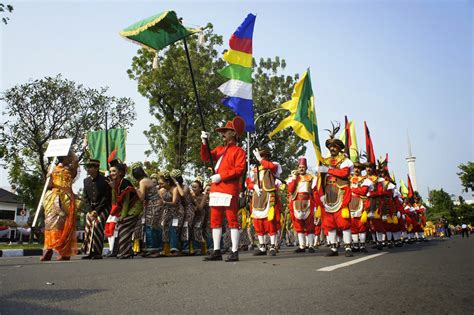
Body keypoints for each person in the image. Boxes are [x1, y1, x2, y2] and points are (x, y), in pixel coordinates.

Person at [200, 116, 246, 262]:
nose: (223, 134)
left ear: (233, 133)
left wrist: (221, 176)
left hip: (229, 189)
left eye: (225, 131)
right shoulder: (219, 149)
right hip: (216, 190)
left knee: (232, 221)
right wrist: (204, 142)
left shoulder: (239, 151)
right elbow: (206, 156)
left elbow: (239, 170)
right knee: (215, 221)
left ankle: (234, 251)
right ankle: (216, 250)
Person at [318, 123, 354, 257]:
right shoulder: (324, 161)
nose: (332, 148)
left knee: (343, 222)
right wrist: (321, 194)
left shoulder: (345, 161)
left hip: (340, 192)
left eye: (335, 147)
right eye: (330, 146)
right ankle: (333, 248)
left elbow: (344, 173)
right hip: (328, 193)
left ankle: (348, 247)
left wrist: (329, 170)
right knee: (329, 222)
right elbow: (320, 180)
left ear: (339, 148)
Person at [41, 151, 79, 261]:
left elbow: (76, 161)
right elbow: (49, 185)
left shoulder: (71, 169)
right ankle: (48, 248)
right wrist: (49, 177)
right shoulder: (52, 168)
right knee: (50, 223)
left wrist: (80, 147)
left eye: (69, 156)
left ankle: (65, 252)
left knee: (64, 225)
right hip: (52, 199)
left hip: (66, 199)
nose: (68, 158)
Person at [246, 147, 282, 256]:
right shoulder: (254, 170)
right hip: (257, 197)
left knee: (270, 222)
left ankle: (272, 246)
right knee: (258, 222)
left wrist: (260, 160)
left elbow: (271, 167)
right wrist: (254, 186)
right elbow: (248, 183)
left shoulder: (273, 165)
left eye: (263, 156)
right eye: (260, 156)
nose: (260, 158)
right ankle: (262, 246)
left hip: (268, 196)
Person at [108, 160, 142, 259]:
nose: (111, 173)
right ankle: (127, 251)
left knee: (123, 227)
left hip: (134, 207)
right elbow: (115, 201)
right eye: (110, 171)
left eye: (114, 171)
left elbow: (126, 201)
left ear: (120, 173)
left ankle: (125, 252)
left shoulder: (125, 182)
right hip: (126, 209)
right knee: (122, 227)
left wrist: (123, 216)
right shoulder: (116, 184)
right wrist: (113, 188)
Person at [81, 159, 111, 260]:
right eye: (88, 167)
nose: (88, 169)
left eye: (91, 167)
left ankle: (97, 252)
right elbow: (85, 197)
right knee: (89, 225)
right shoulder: (86, 181)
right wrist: (90, 210)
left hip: (103, 208)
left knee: (97, 224)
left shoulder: (104, 180)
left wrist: (97, 211)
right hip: (91, 209)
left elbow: (106, 197)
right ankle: (89, 252)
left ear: (97, 168)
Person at [132, 164, 163, 258]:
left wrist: (135, 189)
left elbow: (141, 197)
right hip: (157, 204)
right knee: (156, 227)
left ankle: (153, 249)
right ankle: (157, 249)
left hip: (153, 205)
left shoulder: (142, 181)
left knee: (151, 227)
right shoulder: (148, 179)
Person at [287, 156, 317, 253]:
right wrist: (294, 179)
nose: (301, 169)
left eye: (303, 167)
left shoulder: (311, 177)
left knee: (309, 225)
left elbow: (314, 191)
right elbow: (290, 190)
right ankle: (302, 246)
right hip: (296, 202)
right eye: (299, 167)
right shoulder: (294, 177)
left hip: (308, 202)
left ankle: (311, 245)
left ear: (306, 167)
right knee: (298, 225)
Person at [349, 160, 372, 253]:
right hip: (350, 203)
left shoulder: (365, 180)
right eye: (355, 168)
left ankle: (362, 245)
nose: (356, 170)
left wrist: (353, 189)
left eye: (358, 168)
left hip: (361, 203)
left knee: (361, 225)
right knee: (353, 225)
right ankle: (355, 244)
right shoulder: (348, 179)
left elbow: (363, 191)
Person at [159, 172, 184, 256]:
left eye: (162, 183)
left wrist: (164, 202)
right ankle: (165, 249)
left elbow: (174, 202)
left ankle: (174, 249)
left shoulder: (175, 189)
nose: (160, 185)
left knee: (174, 228)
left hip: (177, 212)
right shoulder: (162, 190)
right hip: (167, 211)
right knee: (164, 227)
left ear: (168, 182)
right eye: (159, 184)